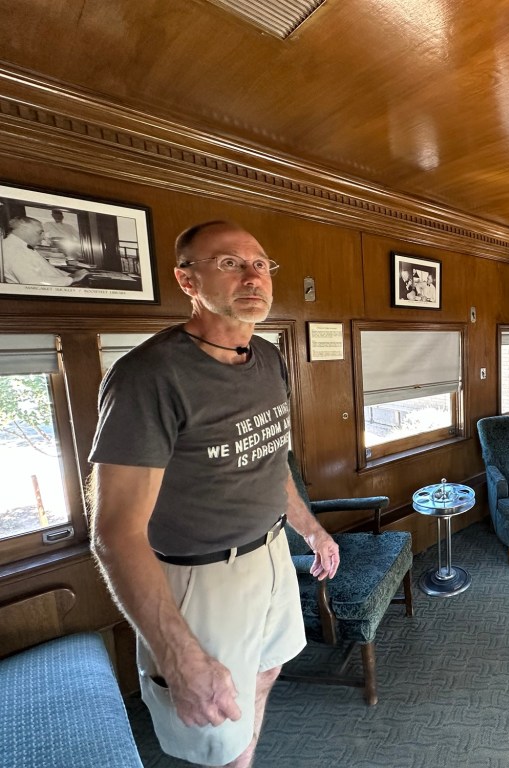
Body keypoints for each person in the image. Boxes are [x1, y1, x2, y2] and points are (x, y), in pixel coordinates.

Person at [89, 221, 341, 768]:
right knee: (214, 726)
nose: (252, 275)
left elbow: (268, 460)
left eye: (260, 263)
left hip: (271, 553)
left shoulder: (270, 358)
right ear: (187, 280)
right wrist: (177, 656)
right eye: (229, 263)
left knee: (267, 670)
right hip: (200, 577)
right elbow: (114, 534)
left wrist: (311, 530)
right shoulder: (149, 376)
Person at [1, 216, 89, 286]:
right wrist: (72, 279)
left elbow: (47, 269)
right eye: (39, 233)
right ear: (23, 229)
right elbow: (34, 283)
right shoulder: (14, 249)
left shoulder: (21, 246)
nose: (43, 237)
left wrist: (69, 275)